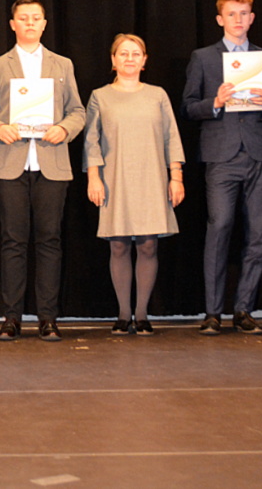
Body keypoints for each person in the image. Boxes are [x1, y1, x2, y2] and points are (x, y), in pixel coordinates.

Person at [0, 0, 85, 342]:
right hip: (10, 164)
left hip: (51, 163)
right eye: (24, 18)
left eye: (36, 17)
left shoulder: (62, 65)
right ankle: (12, 317)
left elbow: (78, 111)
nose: (30, 23)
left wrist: (64, 128)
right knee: (13, 241)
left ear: (44, 24)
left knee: (50, 240)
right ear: (13, 24)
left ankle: (48, 318)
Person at [182, 0, 262, 335]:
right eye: (231, 14)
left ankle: (244, 309)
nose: (238, 20)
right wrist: (215, 102)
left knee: (257, 233)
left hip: (259, 154)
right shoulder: (203, 58)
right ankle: (212, 312)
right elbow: (188, 106)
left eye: (244, 14)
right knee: (219, 227)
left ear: (252, 18)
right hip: (221, 155)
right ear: (220, 19)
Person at [83, 34, 185, 336]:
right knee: (118, 245)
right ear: (113, 61)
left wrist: (176, 176)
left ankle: (141, 315)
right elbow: (91, 140)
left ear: (144, 60)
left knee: (148, 244)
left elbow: (171, 136)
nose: (130, 58)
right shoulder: (100, 96)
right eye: (123, 53)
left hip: (152, 176)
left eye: (136, 53)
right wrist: (93, 177)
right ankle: (123, 314)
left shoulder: (158, 95)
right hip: (114, 177)